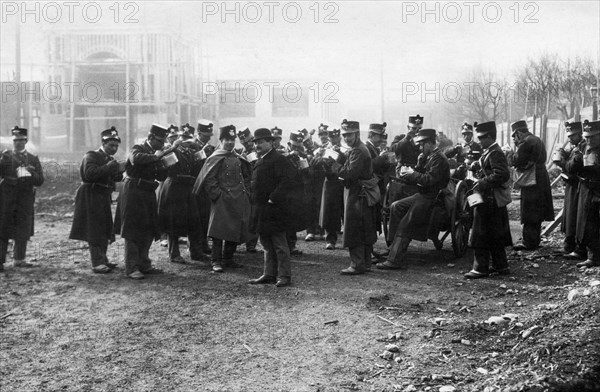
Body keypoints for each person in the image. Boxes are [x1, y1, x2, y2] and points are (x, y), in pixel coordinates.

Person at [376, 128, 450, 270]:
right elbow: (422, 176)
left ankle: (395, 260)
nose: (420, 147)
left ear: (429, 143)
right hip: (423, 195)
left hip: (433, 198)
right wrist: (417, 165)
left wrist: (412, 173)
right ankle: (392, 248)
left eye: (422, 144)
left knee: (406, 222)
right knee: (396, 206)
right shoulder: (430, 156)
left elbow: (429, 180)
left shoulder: (439, 158)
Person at [114, 124, 174, 280]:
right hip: (133, 191)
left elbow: (160, 177)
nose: (162, 144)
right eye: (160, 141)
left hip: (147, 192)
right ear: (150, 138)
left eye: (163, 141)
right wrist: (158, 156)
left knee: (148, 228)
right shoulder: (138, 148)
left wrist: (167, 164)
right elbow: (135, 159)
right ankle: (132, 267)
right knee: (133, 230)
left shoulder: (155, 153)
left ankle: (144, 264)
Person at [194, 125, 252, 272]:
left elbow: (245, 175)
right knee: (218, 232)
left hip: (238, 198)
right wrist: (217, 195)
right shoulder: (215, 156)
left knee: (234, 229)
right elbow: (209, 179)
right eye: (227, 140)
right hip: (222, 199)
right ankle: (216, 261)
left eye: (232, 140)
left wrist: (245, 191)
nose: (230, 143)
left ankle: (229, 258)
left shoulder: (237, 156)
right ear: (221, 140)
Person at [69, 127, 125, 273]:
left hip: (103, 195)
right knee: (94, 228)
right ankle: (97, 262)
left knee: (105, 226)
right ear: (103, 143)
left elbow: (112, 177)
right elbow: (89, 174)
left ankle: (103, 259)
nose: (114, 148)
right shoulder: (92, 155)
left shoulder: (110, 160)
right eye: (111, 145)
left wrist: (120, 171)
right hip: (91, 194)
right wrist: (109, 167)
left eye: (116, 146)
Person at [463, 121, 513, 279]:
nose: (479, 141)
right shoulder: (490, 151)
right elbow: (488, 165)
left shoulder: (495, 152)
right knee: (495, 235)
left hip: (488, 200)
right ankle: (500, 265)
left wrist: (482, 182)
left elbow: (502, 174)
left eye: (481, 138)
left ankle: (480, 268)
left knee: (480, 234)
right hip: (491, 200)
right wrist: (475, 165)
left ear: (490, 137)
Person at [248, 128, 296, 287]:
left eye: (261, 142)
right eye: (255, 143)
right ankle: (269, 273)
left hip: (275, 209)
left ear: (271, 142)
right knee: (266, 243)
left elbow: (288, 181)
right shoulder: (262, 159)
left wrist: (273, 199)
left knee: (279, 244)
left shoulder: (279, 159)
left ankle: (284, 276)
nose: (257, 145)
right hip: (262, 209)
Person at [329, 120, 377, 275]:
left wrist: (334, 165)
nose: (347, 138)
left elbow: (350, 173)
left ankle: (357, 265)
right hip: (360, 193)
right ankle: (366, 263)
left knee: (354, 228)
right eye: (345, 135)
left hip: (357, 193)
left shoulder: (358, 151)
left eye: (349, 135)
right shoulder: (358, 149)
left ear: (357, 134)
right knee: (365, 228)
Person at [157, 123, 205, 265]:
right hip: (174, 188)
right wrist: (173, 147)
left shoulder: (190, 151)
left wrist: (198, 152)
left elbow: (198, 168)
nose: (184, 140)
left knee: (194, 220)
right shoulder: (170, 150)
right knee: (174, 222)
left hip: (188, 187)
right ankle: (174, 253)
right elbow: (164, 165)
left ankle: (195, 251)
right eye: (181, 137)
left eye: (186, 138)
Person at [0, 126, 44, 271]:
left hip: (25, 198)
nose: (18, 143)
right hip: (7, 198)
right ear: (12, 141)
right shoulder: (5, 157)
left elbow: (40, 181)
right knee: (3, 228)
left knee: (23, 228)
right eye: (16, 140)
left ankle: (19, 259)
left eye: (21, 140)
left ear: (26, 141)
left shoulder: (33, 159)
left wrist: (31, 173)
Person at [511, 120, 554, 250]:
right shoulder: (537, 139)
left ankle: (528, 242)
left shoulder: (525, 142)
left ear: (518, 132)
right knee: (537, 210)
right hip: (541, 177)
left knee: (529, 210)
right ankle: (534, 240)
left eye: (514, 136)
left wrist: (511, 154)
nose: (514, 138)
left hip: (531, 178)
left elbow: (517, 161)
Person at [555, 121, 587, 259]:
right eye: (569, 136)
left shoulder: (583, 147)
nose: (570, 139)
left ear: (580, 134)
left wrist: (562, 163)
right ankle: (569, 245)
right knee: (570, 214)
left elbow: (573, 167)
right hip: (571, 186)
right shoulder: (576, 147)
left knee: (575, 216)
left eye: (572, 135)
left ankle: (576, 247)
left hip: (578, 187)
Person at [573, 120, 600, 268]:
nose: (589, 140)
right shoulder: (583, 146)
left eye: (593, 137)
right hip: (587, 189)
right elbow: (573, 167)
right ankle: (593, 257)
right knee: (589, 224)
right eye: (587, 137)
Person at [315, 128, 345, 250]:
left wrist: (341, 155)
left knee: (346, 212)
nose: (335, 140)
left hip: (343, 182)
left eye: (337, 138)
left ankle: (348, 240)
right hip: (330, 183)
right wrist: (320, 157)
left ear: (340, 138)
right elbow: (314, 164)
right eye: (332, 138)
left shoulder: (345, 149)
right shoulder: (322, 149)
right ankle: (330, 239)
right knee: (330, 212)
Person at [284, 131, 309, 256]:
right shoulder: (282, 152)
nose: (296, 149)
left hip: (297, 193)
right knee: (285, 221)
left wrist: (304, 164)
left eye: (299, 147)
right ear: (289, 144)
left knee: (293, 220)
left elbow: (307, 174)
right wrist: (289, 155)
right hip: (285, 193)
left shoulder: (302, 155)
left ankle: (292, 245)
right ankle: (284, 246)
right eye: (294, 146)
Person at [195, 120, 217, 255]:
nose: (208, 138)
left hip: (206, 187)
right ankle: (195, 246)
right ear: (198, 133)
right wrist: (203, 152)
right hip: (195, 185)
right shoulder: (192, 146)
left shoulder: (210, 147)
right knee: (195, 218)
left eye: (209, 135)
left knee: (205, 217)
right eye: (205, 135)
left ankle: (203, 243)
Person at [236, 127, 259, 253]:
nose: (248, 144)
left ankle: (251, 244)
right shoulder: (239, 152)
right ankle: (240, 240)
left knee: (254, 215)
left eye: (250, 141)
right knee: (244, 215)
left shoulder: (259, 152)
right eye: (245, 142)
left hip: (256, 187)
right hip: (244, 188)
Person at [304, 124, 329, 241]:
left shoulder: (320, 148)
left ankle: (322, 229)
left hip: (320, 180)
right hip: (308, 181)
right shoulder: (301, 150)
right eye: (305, 142)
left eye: (308, 140)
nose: (307, 143)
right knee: (309, 205)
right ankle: (310, 231)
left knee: (321, 204)